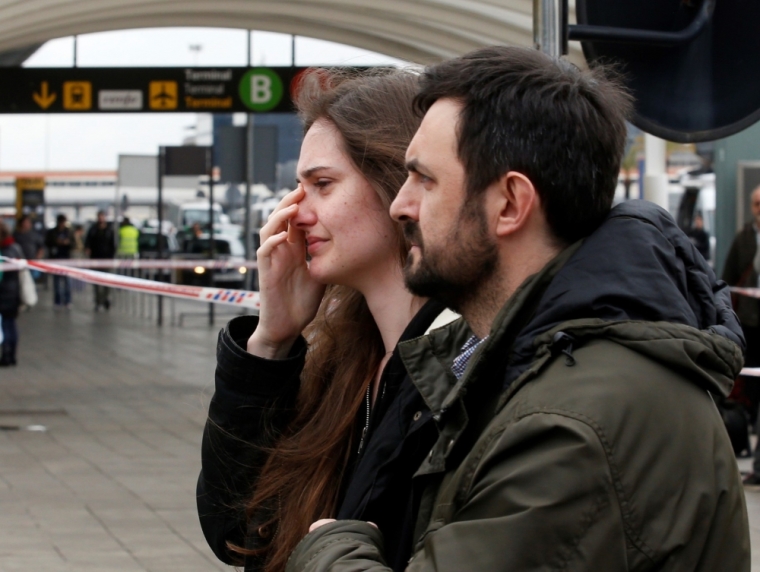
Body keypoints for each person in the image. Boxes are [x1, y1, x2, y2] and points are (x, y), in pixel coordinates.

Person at [287, 47, 750, 571]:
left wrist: (330, 551)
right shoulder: (517, 365)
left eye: (425, 180)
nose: (401, 205)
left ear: (509, 203)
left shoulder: (570, 424)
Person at [197, 69, 452, 572]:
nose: (294, 213)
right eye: (298, 187)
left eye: (322, 185)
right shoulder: (351, 360)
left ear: (398, 186)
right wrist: (271, 342)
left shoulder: (459, 368)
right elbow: (239, 532)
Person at [723, 185, 760, 484]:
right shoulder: (743, 239)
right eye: (757, 204)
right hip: (749, 321)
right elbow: (728, 277)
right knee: (749, 383)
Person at [0, 221, 24, 365]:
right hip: (14, 293)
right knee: (11, 324)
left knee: (5, 326)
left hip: (3, 293)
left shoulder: (3, 252)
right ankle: (12, 355)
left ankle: (6, 355)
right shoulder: (16, 248)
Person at [85, 210, 115, 311]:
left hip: (106, 260)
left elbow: (113, 245)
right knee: (96, 282)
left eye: (102, 216)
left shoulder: (110, 230)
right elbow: (87, 243)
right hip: (95, 259)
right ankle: (98, 301)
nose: (100, 218)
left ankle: (105, 298)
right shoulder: (93, 230)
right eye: (99, 216)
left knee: (107, 282)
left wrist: (111, 259)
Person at [44, 213, 73, 308]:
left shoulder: (68, 232)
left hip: (66, 259)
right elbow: (47, 242)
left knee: (67, 281)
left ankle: (67, 300)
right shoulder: (52, 232)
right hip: (55, 258)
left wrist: (67, 243)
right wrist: (56, 242)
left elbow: (73, 243)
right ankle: (58, 300)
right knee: (56, 282)